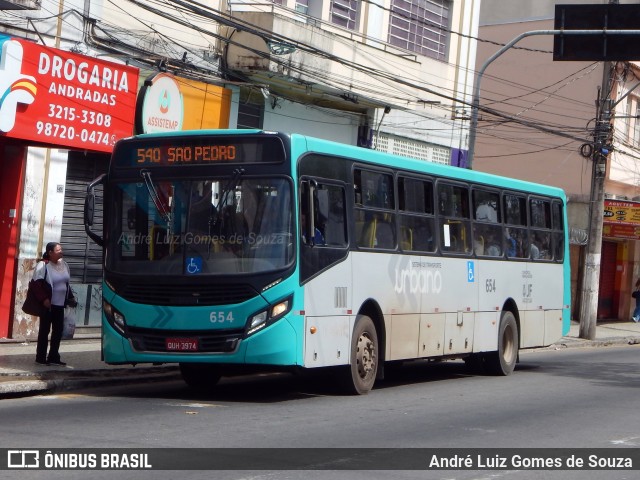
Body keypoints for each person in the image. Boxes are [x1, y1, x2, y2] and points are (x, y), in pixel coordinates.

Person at [32, 242, 76, 366]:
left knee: (58, 331)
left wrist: (71, 298)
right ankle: (40, 357)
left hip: (60, 305)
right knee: (44, 331)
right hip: (48, 306)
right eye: (58, 250)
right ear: (50, 253)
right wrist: (44, 300)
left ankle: (53, 356)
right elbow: (36, 284)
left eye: (61, 249)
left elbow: (66, 284)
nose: (61, 252)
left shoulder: (64, 264)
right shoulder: (43, 265)